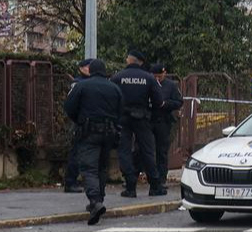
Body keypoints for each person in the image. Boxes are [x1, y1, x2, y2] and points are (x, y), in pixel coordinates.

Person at [63, 59, 122, 225]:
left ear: (91, 71)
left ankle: (95, 201)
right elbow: (120, 111)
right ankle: (99, 200)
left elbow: (69, 107)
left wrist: (80, 121)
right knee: (102, 167)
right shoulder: (115, 88)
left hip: (88, 132)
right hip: (109, 133)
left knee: (89, 168)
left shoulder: (82, 86)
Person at [110, 49, 159, 198]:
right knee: (148, 150)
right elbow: (157, 101)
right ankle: (155, 186)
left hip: (123, 118)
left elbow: (112, 99)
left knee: (124, 150)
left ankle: (130, 186)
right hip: (142, 118)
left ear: (129, 60)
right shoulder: (149, 78)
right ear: (141, 62)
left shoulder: (117, 77)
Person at [148, 64, 183, 196]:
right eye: (156, 76)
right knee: (146, 150)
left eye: (160, 75)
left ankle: (161, 179)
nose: (158, 78)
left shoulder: (171, 86)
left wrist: (165, 104)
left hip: (164, 121)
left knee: (162, 151)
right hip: (149, 120)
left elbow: (179, 101)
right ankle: (149, 176)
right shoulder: (148, 83)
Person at [63, 59, 93, 193]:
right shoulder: (78, 83)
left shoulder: (89, 82)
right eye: (88, 67)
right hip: (80, 123)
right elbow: (71, 105)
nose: (91, 69)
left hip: (90, 122)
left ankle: (87, 181)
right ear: (82, 68)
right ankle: (70, 182)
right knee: (76, 152)